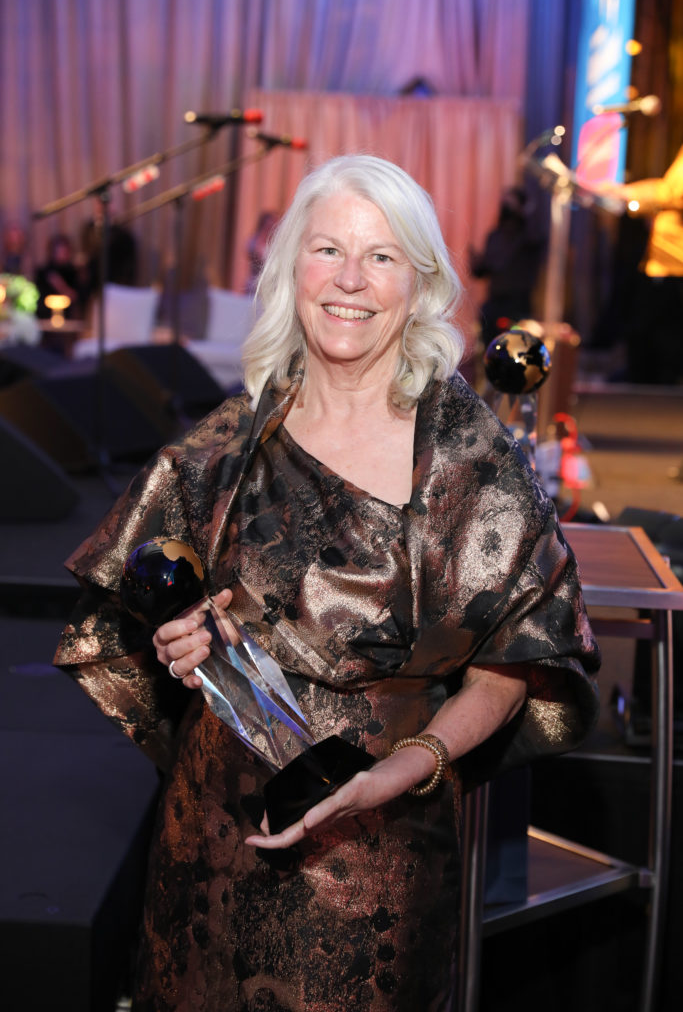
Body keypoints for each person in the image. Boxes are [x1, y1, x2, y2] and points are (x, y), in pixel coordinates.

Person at [54, 155, 600, 1011]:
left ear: (418, 286)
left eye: (381, 256)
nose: (350, 279)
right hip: (208, 830)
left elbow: (514, 655)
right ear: (287, 272)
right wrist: (178, 641)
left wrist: (409, 764)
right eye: (326, 250)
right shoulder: (232, 439)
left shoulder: (469, 456)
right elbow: (149, 605)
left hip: (377, 843)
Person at [599, 144, 683, 383]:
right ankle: (646, 372)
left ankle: (656, 376)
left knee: (664, 327)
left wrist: (624, 192)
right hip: (663, 261)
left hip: (674, 262)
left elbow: (673, 193)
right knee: (649, 320)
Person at [469, 185, 547, 348]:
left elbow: (535, 237)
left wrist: (528, 211)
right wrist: (475, 262)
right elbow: (484, 270)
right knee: (489, 348)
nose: (506, 206)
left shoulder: (528, 236)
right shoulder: (495, 236)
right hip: (494, 303)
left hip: (518, 304)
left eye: (511, 202)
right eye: (505, 202)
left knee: (515, 350)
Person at [34, 232, 86, 320]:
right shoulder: (44, 272)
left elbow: (77, 298)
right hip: (45, 318)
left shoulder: (73, 273)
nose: (61, 255)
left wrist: (60, 286)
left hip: (68, 318)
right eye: (58, 251)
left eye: (64, 252)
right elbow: (37, 299)